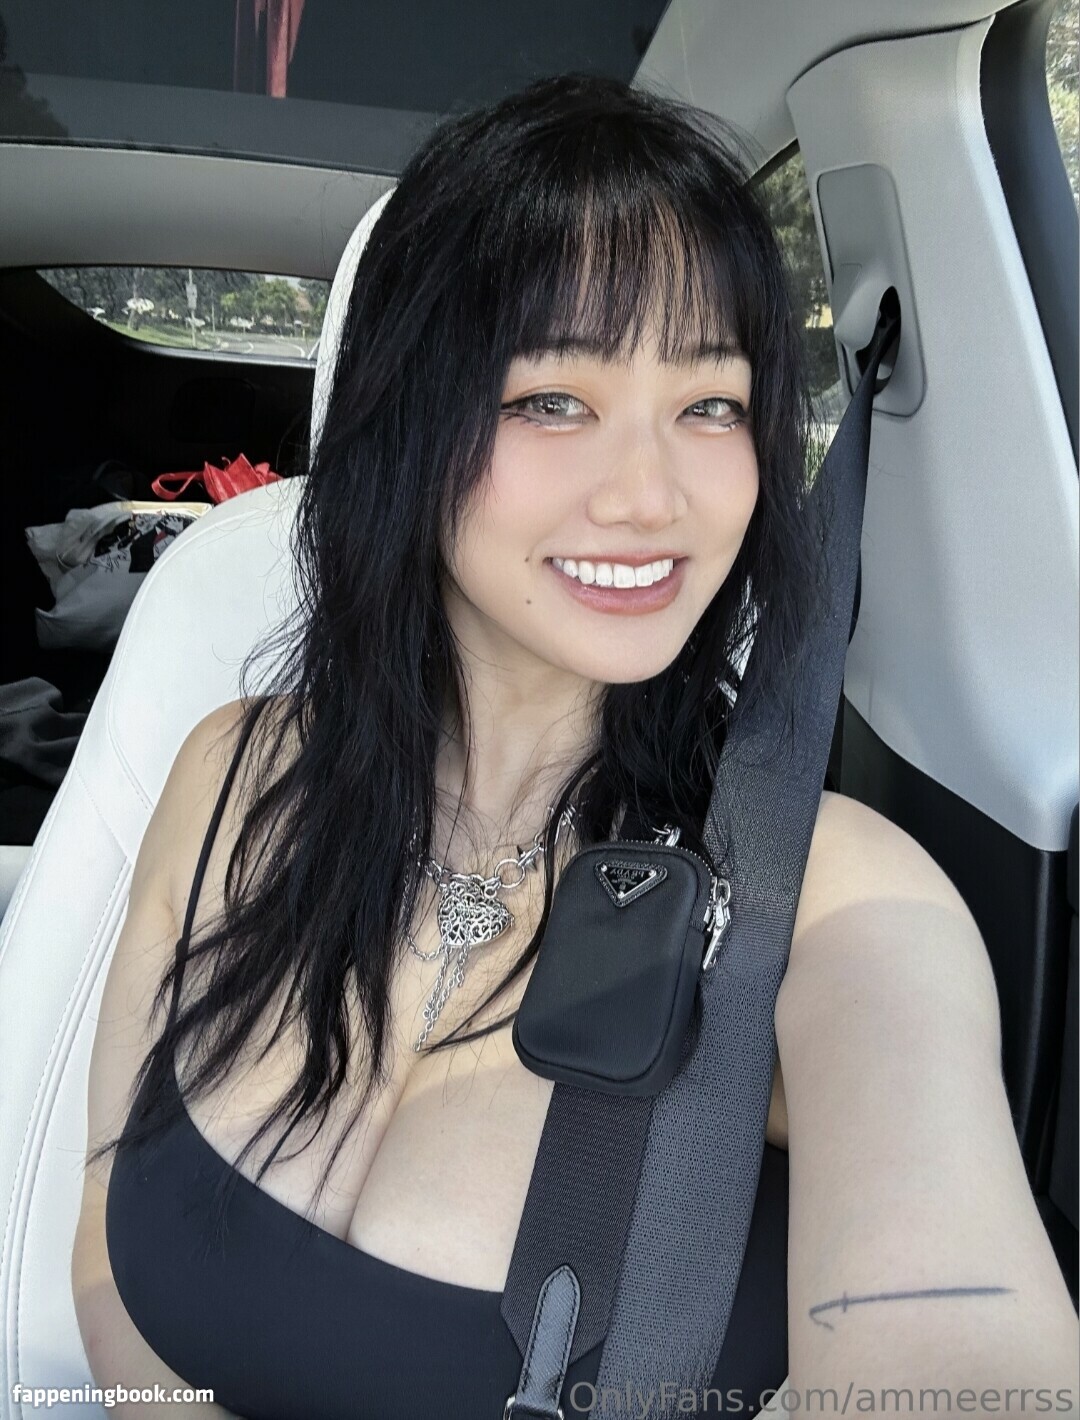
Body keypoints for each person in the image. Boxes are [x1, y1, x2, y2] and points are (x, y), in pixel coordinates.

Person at [72, 73, 1078, 1420]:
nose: (651, 496)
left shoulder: (835, 902)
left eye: (712, 405)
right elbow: (105, 1251)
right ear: (405, 421)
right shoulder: (229, 780)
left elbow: (961, 1356)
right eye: (551, 399)